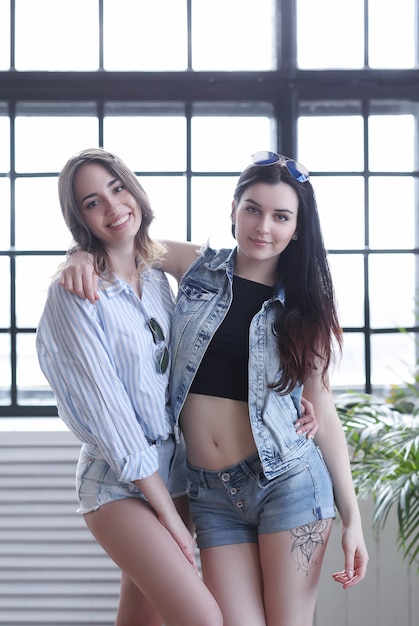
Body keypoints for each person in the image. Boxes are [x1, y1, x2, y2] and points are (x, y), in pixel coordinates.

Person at [59, 150, 367, 626]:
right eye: (253, 209)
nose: (263, 226)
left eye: (281, 216)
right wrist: (79, 253)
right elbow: (121, 239)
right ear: (233, 210)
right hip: (211, 493)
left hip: (288, 481)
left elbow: (321, 408)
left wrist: (352, 518)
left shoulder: (307, 308)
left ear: (297, 228)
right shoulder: (195, 267)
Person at [36, 148, 224, 626]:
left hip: (176, 472)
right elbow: (112, 419)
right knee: (203, 618)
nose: (113, 207)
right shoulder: (74, 292)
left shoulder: (159, 278)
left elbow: (223, 268)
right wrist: (171, 520)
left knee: (144, 619)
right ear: (79, 218)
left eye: (118, 189)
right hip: (119, 483)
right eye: (92, 202)